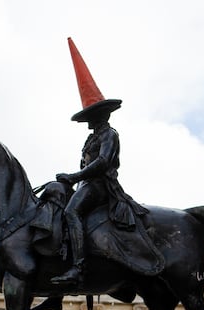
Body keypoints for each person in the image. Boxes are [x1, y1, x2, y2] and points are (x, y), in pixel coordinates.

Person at [50, 38, 148, 286]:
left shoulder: (109, 135)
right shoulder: (92, 137)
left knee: (72, 211)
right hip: (87, 185)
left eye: (89, 117)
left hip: (101, 186)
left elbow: (103, 163)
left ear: (99, 115)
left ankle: (79, 268)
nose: (87, 122)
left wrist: (73, 177)